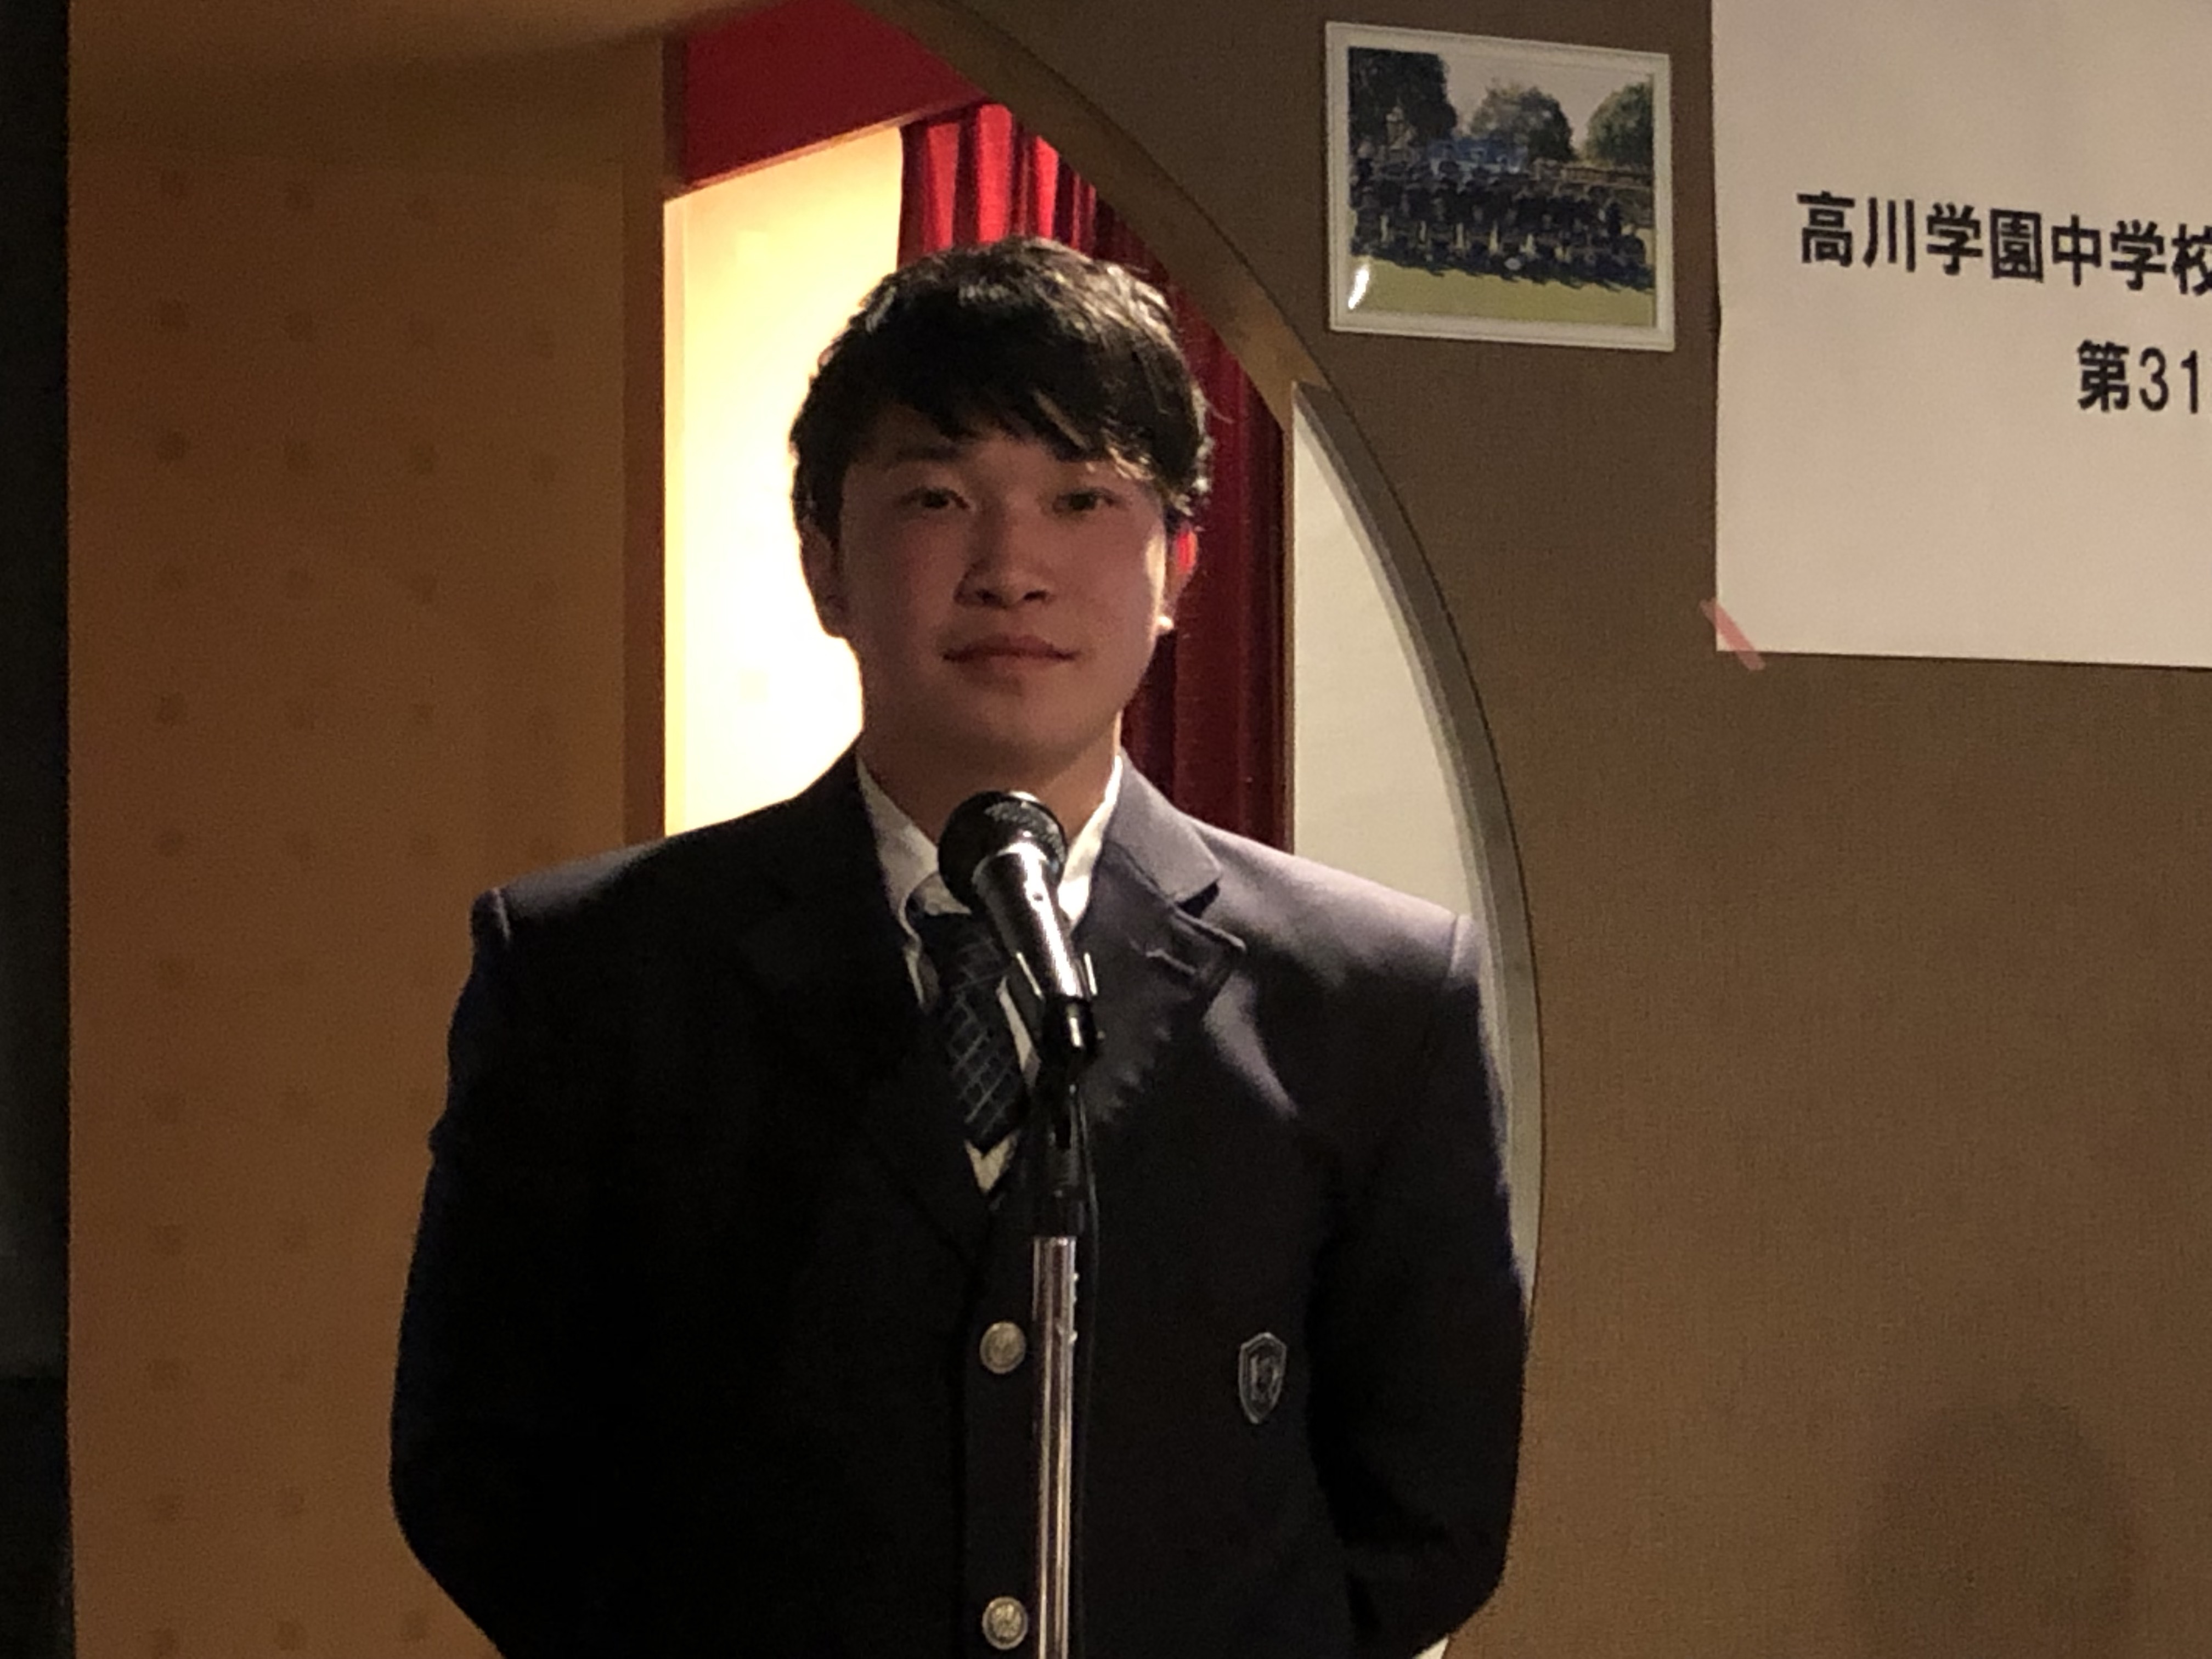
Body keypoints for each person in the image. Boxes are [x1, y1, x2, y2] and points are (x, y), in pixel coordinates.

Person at [391, 236, 1524, 1658]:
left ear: (1176, 565)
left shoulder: (1374, 995)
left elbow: (1432, 1504)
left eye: (1082, 498)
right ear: (826, 563)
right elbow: (485, 1467)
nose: (1012, 568)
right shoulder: (596, 970)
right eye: (937, 498)